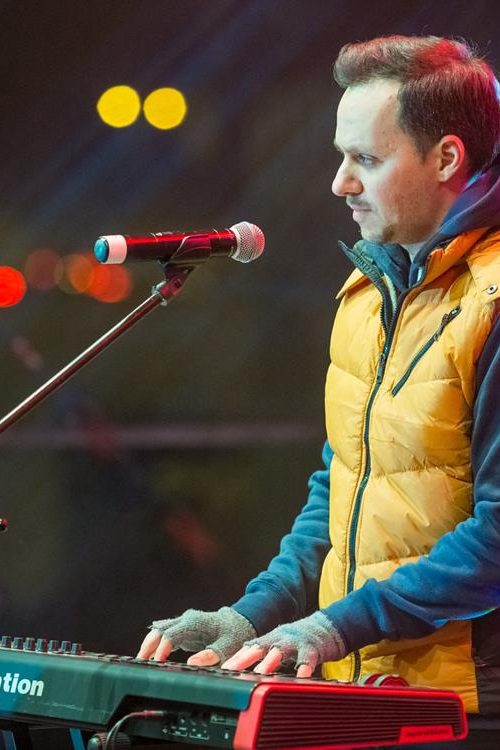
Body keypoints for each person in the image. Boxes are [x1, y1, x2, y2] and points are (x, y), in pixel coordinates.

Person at [138, 35, 500, 748]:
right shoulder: (366, 291)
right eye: (342, 157)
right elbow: (340, 488)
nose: (340, 183)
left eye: (365, 159)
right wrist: (254, 613)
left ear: (447, 159)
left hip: (473, 701)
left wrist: (337, 624)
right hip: (360, 688)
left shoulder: (493, 301)